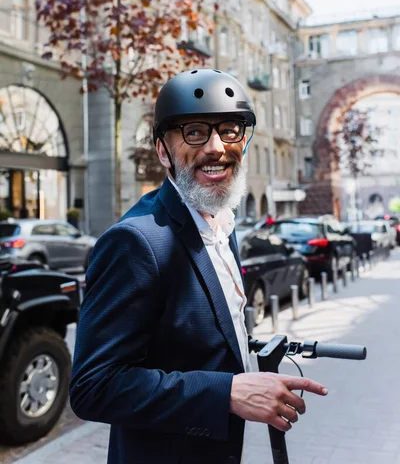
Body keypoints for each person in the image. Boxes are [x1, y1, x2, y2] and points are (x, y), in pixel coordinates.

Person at [70, 68, 328, 464]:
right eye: (194, 132)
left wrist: (248, 351)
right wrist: (227, 392)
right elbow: (93, 387)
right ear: (163, 151)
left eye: (230, 130)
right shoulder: (137, 242)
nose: (216, 147)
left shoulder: (221, 220)